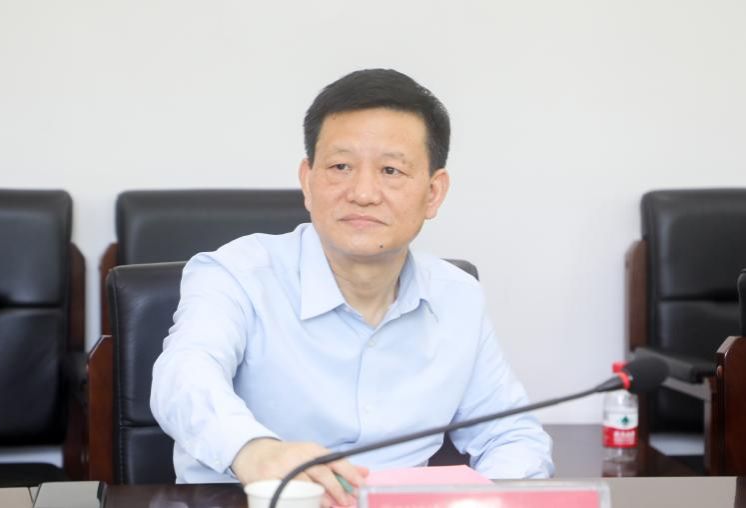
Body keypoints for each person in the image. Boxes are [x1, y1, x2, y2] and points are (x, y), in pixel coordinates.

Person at [150, 68, 553, 506]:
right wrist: (255, 451)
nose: (363, 193)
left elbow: (512, 436)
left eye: (391, 170)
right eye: (341, 167)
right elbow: (182, 377)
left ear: (433, 193)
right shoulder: (235, 274)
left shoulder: (456, 297)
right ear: (307, 181)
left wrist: (484, 502)